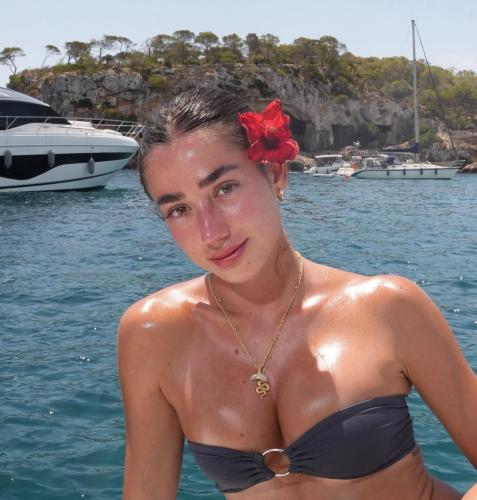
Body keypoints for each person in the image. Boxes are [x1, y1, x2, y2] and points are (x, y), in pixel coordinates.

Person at [117, 88, 477, 500]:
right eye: (179, 209)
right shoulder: (151, 335)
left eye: (225, 188)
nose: (211, 233)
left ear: (275, 174)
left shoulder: (388, 308)